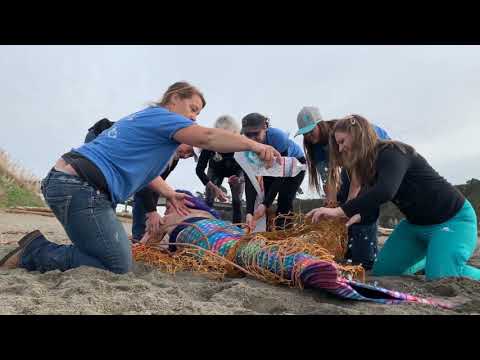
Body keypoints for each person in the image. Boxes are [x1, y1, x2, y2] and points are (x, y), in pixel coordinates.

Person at [0, 81, 281, 274]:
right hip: (81, 188)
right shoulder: (164, 118)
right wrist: (254, 144)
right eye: (193, 109)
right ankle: (34, 252)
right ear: (174, 99)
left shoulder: (148, 120)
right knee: (117, 264)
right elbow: (208, 137)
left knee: (109, 252)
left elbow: (145, 175)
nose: (194, 118)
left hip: (68, 182)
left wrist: (169, 192)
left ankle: (42, 251)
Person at [306, 115, 480, 281]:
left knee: (439, 278)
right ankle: (432, 258)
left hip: (453, 222)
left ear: (357, 135)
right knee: (382, 273)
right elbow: (371, 201)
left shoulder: (394, 152)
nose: (341, 148)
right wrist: (356, 215)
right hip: (414, 227)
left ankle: (439, 261)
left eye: (342, 142)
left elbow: (385, 191)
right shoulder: (368, 166)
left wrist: (339, 210)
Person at [296, 108, 391, 270]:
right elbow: (329, 179)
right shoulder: (317, 147)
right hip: (352, 166)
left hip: (376, 153)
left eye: (311, 131)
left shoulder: (341, 133)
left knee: (360, 205)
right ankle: (349, 251)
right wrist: (331, 205)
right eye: (304, 134)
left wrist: (346, 209)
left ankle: (366, 260)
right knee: (341, 202)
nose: (309, 137)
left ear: (321, 124)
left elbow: (357, 180)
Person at [241, 113, 306, 230]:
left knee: (284, 199)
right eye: (247, 135)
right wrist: (249, 212)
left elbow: (280, 176)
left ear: (265, 127)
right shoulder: (247, 147)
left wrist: (266, 204)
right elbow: (249, 179)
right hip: (269, 166)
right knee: (262, 198)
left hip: (294, 164)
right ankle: (266, 231)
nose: (252, 139)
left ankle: (284, 233)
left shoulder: (278, 137)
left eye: (255, 133)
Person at [131, 143, 195, 243]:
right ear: (184, 141)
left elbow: (162, 178)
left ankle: (146, 237)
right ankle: (137, 239)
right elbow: (145, 179)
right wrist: (152, 211)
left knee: (151, 214)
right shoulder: (160, 151)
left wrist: (166, 193)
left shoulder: (175, 158)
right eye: (188, 151)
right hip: (143, 183)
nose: (186, 156)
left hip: (155, 187)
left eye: (190, 155)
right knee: (141, 205)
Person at [196, 115, 244, 224]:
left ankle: (238, 227)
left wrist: (240, 179)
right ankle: (206, 225)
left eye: (227, 136)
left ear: (234, 133)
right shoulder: (209, 144)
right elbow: (199, 169)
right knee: (209, 199)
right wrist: (212, 186)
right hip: (216, 170)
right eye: (221, 136)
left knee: (237, 201)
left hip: (236, 171)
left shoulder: (241, 144)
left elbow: (249, 170)